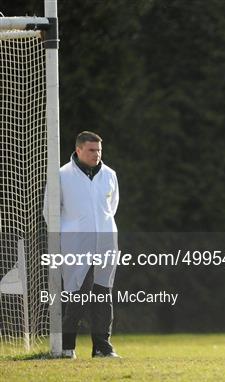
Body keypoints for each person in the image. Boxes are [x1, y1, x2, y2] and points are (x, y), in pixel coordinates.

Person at [44, 131, 120, 359]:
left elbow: (111, 208)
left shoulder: (110, 175)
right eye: (91, 150)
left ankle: (102, 348)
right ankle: (67, 347)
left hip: (106, 243)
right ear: (78, 150)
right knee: (77, 295)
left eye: (99, 150)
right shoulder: (61, 176)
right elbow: (51, 211)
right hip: (75, 245)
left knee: (103, 296)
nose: (96, 155)